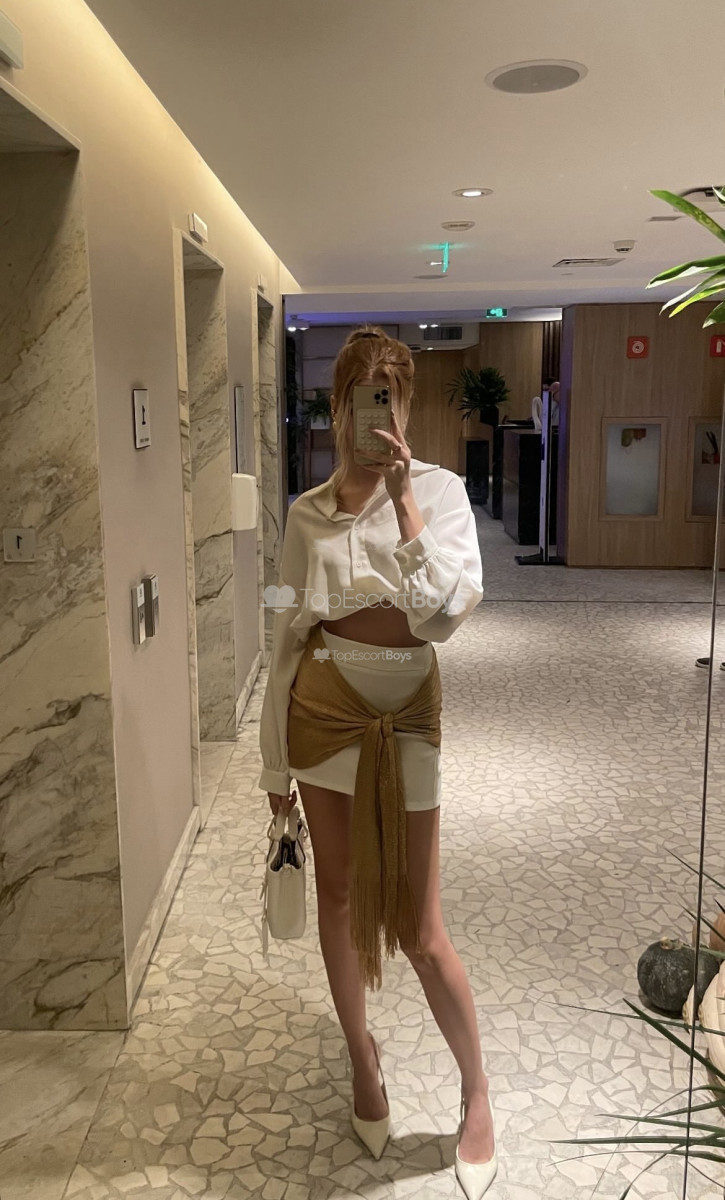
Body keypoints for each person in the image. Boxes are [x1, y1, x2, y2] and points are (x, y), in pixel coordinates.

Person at [258, 325, 497, 1197]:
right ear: (337, 407)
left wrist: (403, 508)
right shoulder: (306, 513)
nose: (374, 416)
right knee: (338, 896)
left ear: (405, 406)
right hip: (321, 713)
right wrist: (272, 769)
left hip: (408, 715)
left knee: (419, 926)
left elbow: (440, 619)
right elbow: (284, 634)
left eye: (388, 400)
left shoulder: (441, 493)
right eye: (360, 398)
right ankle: (363, 1059)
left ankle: (476, 1091)